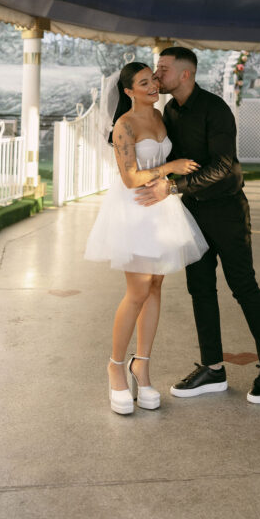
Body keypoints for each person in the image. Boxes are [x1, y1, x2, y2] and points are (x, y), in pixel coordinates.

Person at [136, 47, 260, 404]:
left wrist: (171, 187)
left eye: (164, 69)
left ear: (186, 74)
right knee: (200, 289)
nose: (158, 75)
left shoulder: (215, 109)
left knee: (243, 286)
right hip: (191, 212)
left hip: (227, 210)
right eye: (157, 69)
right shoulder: (169, 110)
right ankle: (213, 368)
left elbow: (223, 166)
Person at [84, 62, 207, 415]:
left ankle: (143, 366)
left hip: (160, 210)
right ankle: (116, 367)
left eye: (153, 79)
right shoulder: (124, 126)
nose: (153, 85)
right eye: (143, 82)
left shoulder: (162, 116)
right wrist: (171, 167)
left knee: (155, 286)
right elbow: (130, 178)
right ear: (128, 91)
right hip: (134, 210)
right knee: (137, 290)